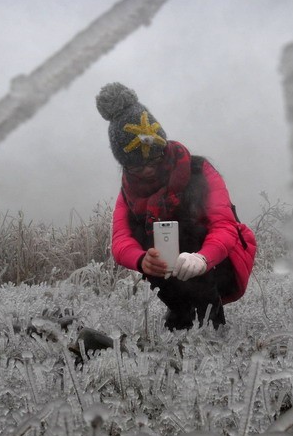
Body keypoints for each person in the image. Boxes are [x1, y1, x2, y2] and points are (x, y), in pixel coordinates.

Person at [96, 82, 257, 330]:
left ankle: (211, 322)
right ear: (125, 165)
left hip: (216, 263)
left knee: (190, 229)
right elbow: (120, 240)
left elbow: (224, 225)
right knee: (149, 239)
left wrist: (202, 259)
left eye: (154, 159)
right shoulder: (129, 191)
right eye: (137, 166)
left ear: (163, 146)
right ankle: (179, 313)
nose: (148, 170)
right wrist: (142, 260)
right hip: (169, 275)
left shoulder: (199, 170)